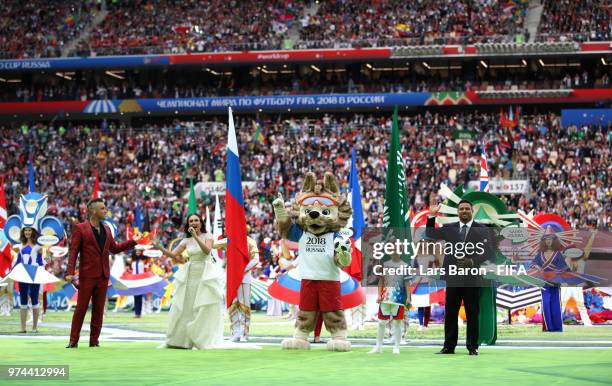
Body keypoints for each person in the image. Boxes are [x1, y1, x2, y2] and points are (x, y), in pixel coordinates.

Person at [65, 198, 140, 348]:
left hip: (103, 276)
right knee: (81, 309)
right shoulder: (80, 228)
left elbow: (115, 248)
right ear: (93, 211)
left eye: (105, 208)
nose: (106, 211)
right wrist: (70, 272)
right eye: (103, 208)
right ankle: (73, 341)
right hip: (87, 275)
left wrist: (133, 241)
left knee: (98, 311)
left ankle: (94, 341)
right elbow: (73, 252)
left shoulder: (106, 229)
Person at [426, 199, 494, 355]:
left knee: (472, 313)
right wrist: (431, 215)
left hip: (472, 278)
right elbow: (430, 234)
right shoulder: (449, 228)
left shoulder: (481, 229)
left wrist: (472, 261)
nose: (464, 211)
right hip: (453, 277)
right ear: (458, 212)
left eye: (467, 209)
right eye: (461, 209)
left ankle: (472, 347)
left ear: (472, 211)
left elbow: (489, 251)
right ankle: (449, 346)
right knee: (450, 313)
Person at [153, 213, 225, 349]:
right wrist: (160, 247)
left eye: (196, 220)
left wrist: (196, 237)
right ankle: (182, 340)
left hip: (205, 273)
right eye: (191, 221)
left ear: (201, 223)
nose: (194, 223)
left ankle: (202, 337)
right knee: (187, 304)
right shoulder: (185, 241)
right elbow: (173, 255)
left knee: (203, 304)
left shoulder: (208, 236)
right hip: (190, 273)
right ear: (188, 224)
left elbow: (207, 251)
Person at [368, 252, 411, 354]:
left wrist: (408, 297)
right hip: (385, 297)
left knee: (397, 323)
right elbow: (381, 281)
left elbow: (407, 283)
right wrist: (379, 295)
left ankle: (396, 347)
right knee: (381, 322)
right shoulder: (385, 264)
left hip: (399, 299)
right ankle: (378, 347)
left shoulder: (405, 266)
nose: (395, 253)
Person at [528, 228, 570, 332]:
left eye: (550, 239)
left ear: (553, 240)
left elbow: (565, 268)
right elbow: (533, 263)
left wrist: (559, 271)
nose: (548, 241)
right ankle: (548, 327)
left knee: (555, 303)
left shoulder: (558, 253)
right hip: (544, 282)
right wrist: (537, 267)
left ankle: (557, 327)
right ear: (544, 241)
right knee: (546, 302)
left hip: (555, 281)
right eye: (546, 239)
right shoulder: (540, 253)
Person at [13, 227, 45, 333]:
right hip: (22, 275)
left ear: (33, 232)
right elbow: (18, 261)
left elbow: (41, 261)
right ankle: (23, 328)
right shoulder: (20, 246)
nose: (27, 232)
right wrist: (14, 272)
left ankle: (34, 328)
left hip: (34, 275)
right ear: (23, 232)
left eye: (29, 230)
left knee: (34, 299)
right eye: (25, 230)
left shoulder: (38, 247)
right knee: (23, 300)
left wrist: (47, 259)